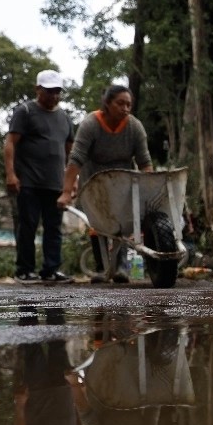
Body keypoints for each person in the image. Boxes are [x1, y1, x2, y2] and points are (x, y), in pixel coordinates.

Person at [57, 84, 153, 283]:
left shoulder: (134, 127)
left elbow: (145, 162)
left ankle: (120, 268)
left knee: (124, 223)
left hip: (123, 180)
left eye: (129, 105)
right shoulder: (91, 124)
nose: (125, 108)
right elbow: (76, 159)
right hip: (94, 180)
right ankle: (102, 268)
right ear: (107, 103)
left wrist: (148, 190)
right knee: (97, 223)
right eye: (120, 103)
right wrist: (67, 191)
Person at [4, 69, 76, 284]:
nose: (54, 96)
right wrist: (11, 174)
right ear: (38, 89)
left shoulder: (64, 118)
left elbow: (71, 152)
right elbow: (10, 143)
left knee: (54, 228)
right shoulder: (25, 111)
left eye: (57, 92)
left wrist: (72, 183)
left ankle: (51, 270)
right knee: (29, 225)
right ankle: (24, 270)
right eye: (49, 91)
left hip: (55, 184)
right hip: (29, 182)